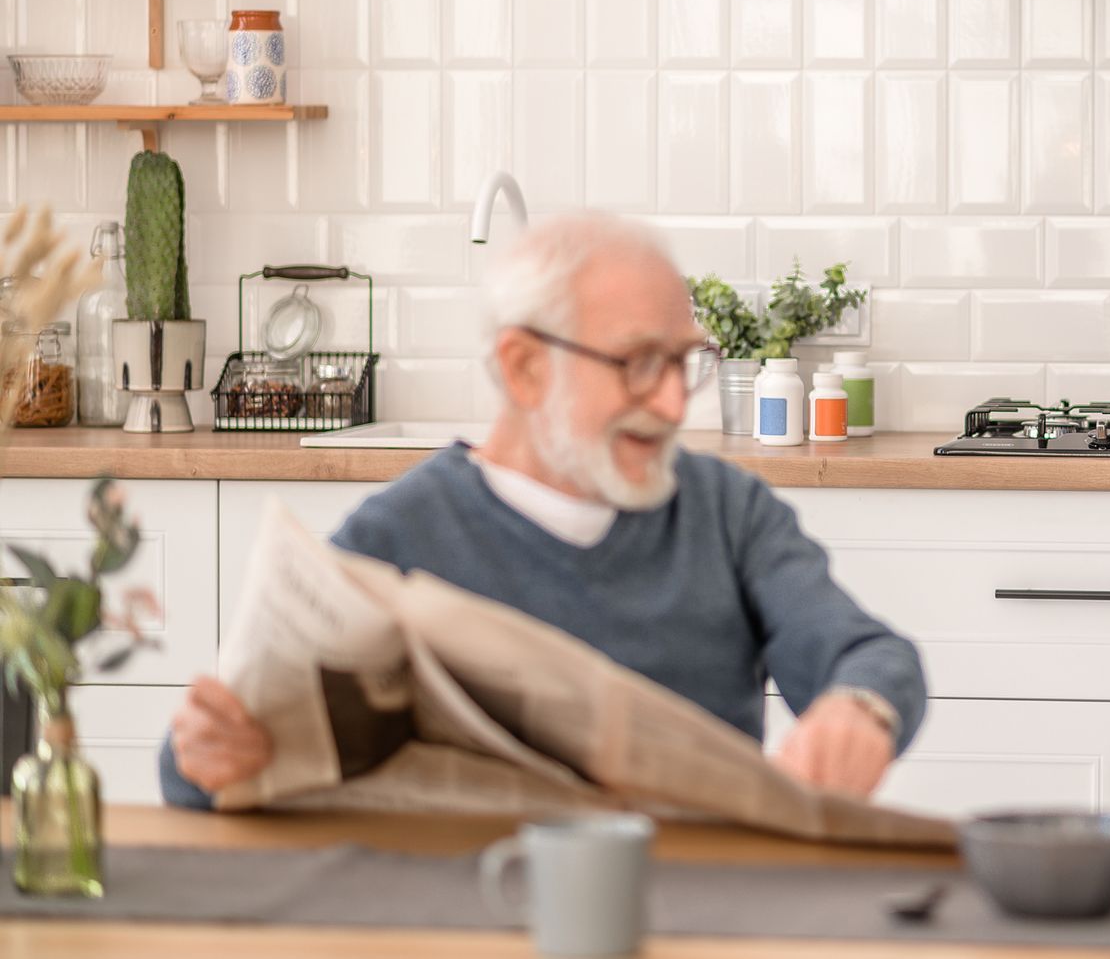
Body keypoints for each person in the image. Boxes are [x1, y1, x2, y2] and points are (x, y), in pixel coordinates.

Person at [162, 212, 925, 807]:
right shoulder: (401, 530)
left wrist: (859, 710)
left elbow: (870, 655)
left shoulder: (728, 511)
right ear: (525, 368)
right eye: (636, 363)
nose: (668, 403)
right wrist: (211, 753)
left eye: (686, 362)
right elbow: (203, 758)